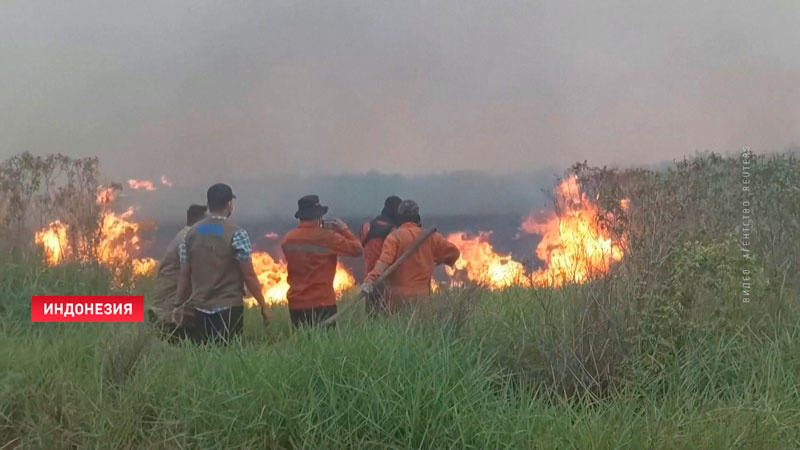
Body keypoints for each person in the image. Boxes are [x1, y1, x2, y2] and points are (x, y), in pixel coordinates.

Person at [174, 183, 271, 344]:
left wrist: (178, 305)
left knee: (204, 358)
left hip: (200, 308)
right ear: (229, 204)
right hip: (228, 309)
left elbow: (184, 274)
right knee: (228, 355)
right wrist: (263, 305)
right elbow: (249, 275)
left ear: (209, 204)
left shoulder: (191, 234)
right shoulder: (237, 234)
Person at [360, 200, 460, 313]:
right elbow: (454, 252)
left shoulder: (394, 237)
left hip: (396, 300)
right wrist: (439, 259)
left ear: (400, 217)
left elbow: (383, 263)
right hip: (422, 300)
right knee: (420, 330)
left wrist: (369, 280)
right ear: (417, 216)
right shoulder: (431, 237)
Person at [281, 195, 363, 328]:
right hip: (322, 304)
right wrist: (344, 229)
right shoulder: (328, 237)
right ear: (319, 216)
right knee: (325, 345)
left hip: (296, 304)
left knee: (302, 344)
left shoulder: (287, 239)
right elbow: (357, 250)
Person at [148, 203, 207, 341]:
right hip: (168, 312)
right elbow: (188, 274)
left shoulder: (185, 235)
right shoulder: (188, 239)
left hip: (167, 308)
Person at [359, 195, 402, 315]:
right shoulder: (395, 232)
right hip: (387, 283)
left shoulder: (366, 227)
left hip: (369, 282)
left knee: (371, 319)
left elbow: (362, 246)